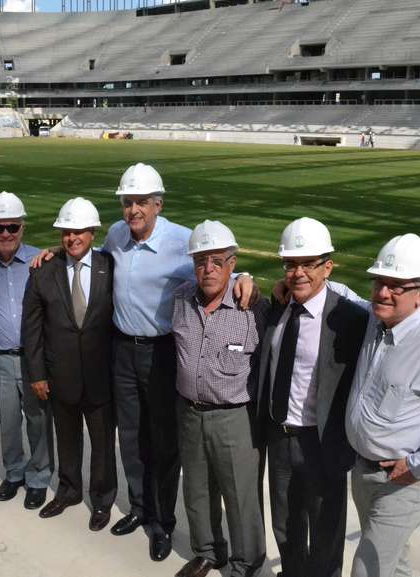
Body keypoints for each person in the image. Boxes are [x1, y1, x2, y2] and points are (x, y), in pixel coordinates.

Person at [104, 163, 255, 560]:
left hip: (163, 351)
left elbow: (216, 267)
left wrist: (247, 276)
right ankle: (139, 507)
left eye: (141, 202)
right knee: (132, 436)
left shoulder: (180, 240)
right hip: (122, 348)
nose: (133, 210)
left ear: (158, 204)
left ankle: (162, 522)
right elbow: (97, 262)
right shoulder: (116, 235)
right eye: (127, 202)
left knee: (164, 443)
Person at [256, 217, 368, 577]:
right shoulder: (280, 307)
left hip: (322, 443)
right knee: (286, 525)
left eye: (308, 264)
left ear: (328, 267)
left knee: (326, 529)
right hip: (280, 435)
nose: (298, 272)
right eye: (291, 264)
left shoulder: (349, 317)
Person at [346, 233, 420, 577]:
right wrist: (244, 280)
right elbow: (334, 294)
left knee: (368, 568)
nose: (383, 292)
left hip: (405, 481)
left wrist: (418, 463)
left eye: (396, 286)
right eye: (379, 282)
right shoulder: (375, 320)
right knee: (393, 564)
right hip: (362, 472)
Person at [173, 221, 268, 577]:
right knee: (196, 490)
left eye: (217, 261)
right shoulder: (180, 298)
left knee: (240, 496)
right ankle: (208, 552)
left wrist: (248, 277)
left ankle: (247, 563)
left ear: (232, 263)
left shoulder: (253, 307)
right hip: (189, 412)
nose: (208, 269)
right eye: (200, 261)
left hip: (233, 418)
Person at [22, 197, 117, 531]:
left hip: (101, 377)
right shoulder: (43, 271)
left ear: (92, 233)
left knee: (103, 443)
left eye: (79, 231)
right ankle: (69, 491)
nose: (72, 238)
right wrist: (37, 374)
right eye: (66, 232)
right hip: (59, 376)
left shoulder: (110, 267)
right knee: (67, 439)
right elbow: (31, 330)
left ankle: (102, 500)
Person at [0, 192, 53, 509]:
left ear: (22, 228)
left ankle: (39, 477)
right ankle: (14, 473)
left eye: (12, 227)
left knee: (38, 423)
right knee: (8, 423)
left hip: (34, 359)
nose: (6, 234)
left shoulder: (42, 261)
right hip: (0, 360)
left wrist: (59, 249)